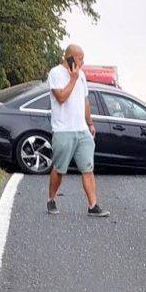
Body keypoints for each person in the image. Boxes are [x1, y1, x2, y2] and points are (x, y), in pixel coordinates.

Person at [46, 44, 110, 217]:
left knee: (87, 168)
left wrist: (89, 123)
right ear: (70, 57)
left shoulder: (81, 75)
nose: (83, 61)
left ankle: (93, 205)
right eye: (80, 58)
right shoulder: (55, 73)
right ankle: (51, 199)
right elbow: (60, 97)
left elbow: (85, 101)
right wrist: (72, 79)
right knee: (59, 169)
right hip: (63, 130)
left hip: (81, 129)